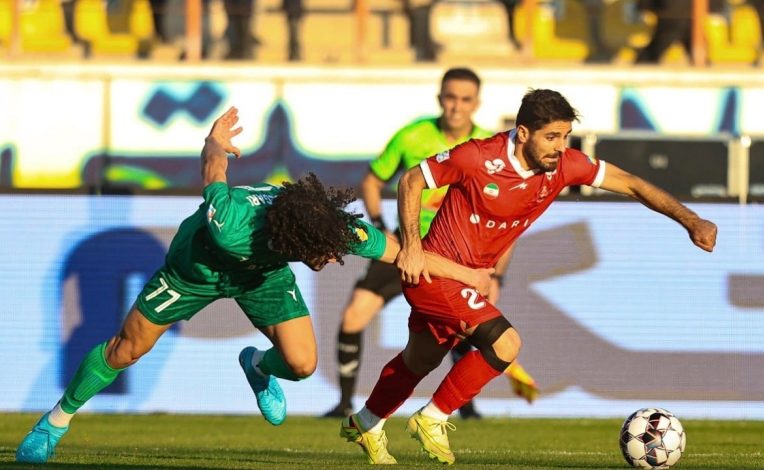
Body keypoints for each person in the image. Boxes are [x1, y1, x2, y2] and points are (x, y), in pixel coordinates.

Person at [15, 107, 494, 465]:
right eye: (323, 254)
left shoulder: (327, 226)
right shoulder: (232, 225)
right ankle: (54, 423)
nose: (331, 259)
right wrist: (214, 140)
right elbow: (214, 171)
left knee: (302, 364)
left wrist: (467, 274)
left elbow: (403, 253)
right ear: (295, 242)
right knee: (126, 350)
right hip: (193, 271)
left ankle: (257, 365)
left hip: (261, 276)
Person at [340, 89, 718, 465]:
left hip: (470, 280)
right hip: (435, 273)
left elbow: (631, 182)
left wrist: (691, 220)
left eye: (565, 136)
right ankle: (433, 418)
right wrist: (412, 247)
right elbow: (411, 181)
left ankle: (367, 423)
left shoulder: (564, 165)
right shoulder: (477, 156)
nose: (560, 147)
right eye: (551, 137)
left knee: (420, 359)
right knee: (506, 344)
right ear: (523, 133)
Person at [322, 67, 539, 421]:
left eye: (465, 99)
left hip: (459, 255)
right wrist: (382, 227)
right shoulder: (412, 136)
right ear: (440, 99)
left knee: (459, 330)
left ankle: (465, 407)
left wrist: (498, 276)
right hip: (409, 248)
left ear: (476, 104)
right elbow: (372, 182)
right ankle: (345, 403)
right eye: (450, 97)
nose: (456, 106)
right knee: (353, 316)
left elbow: (507, 222)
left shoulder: (491, 146)